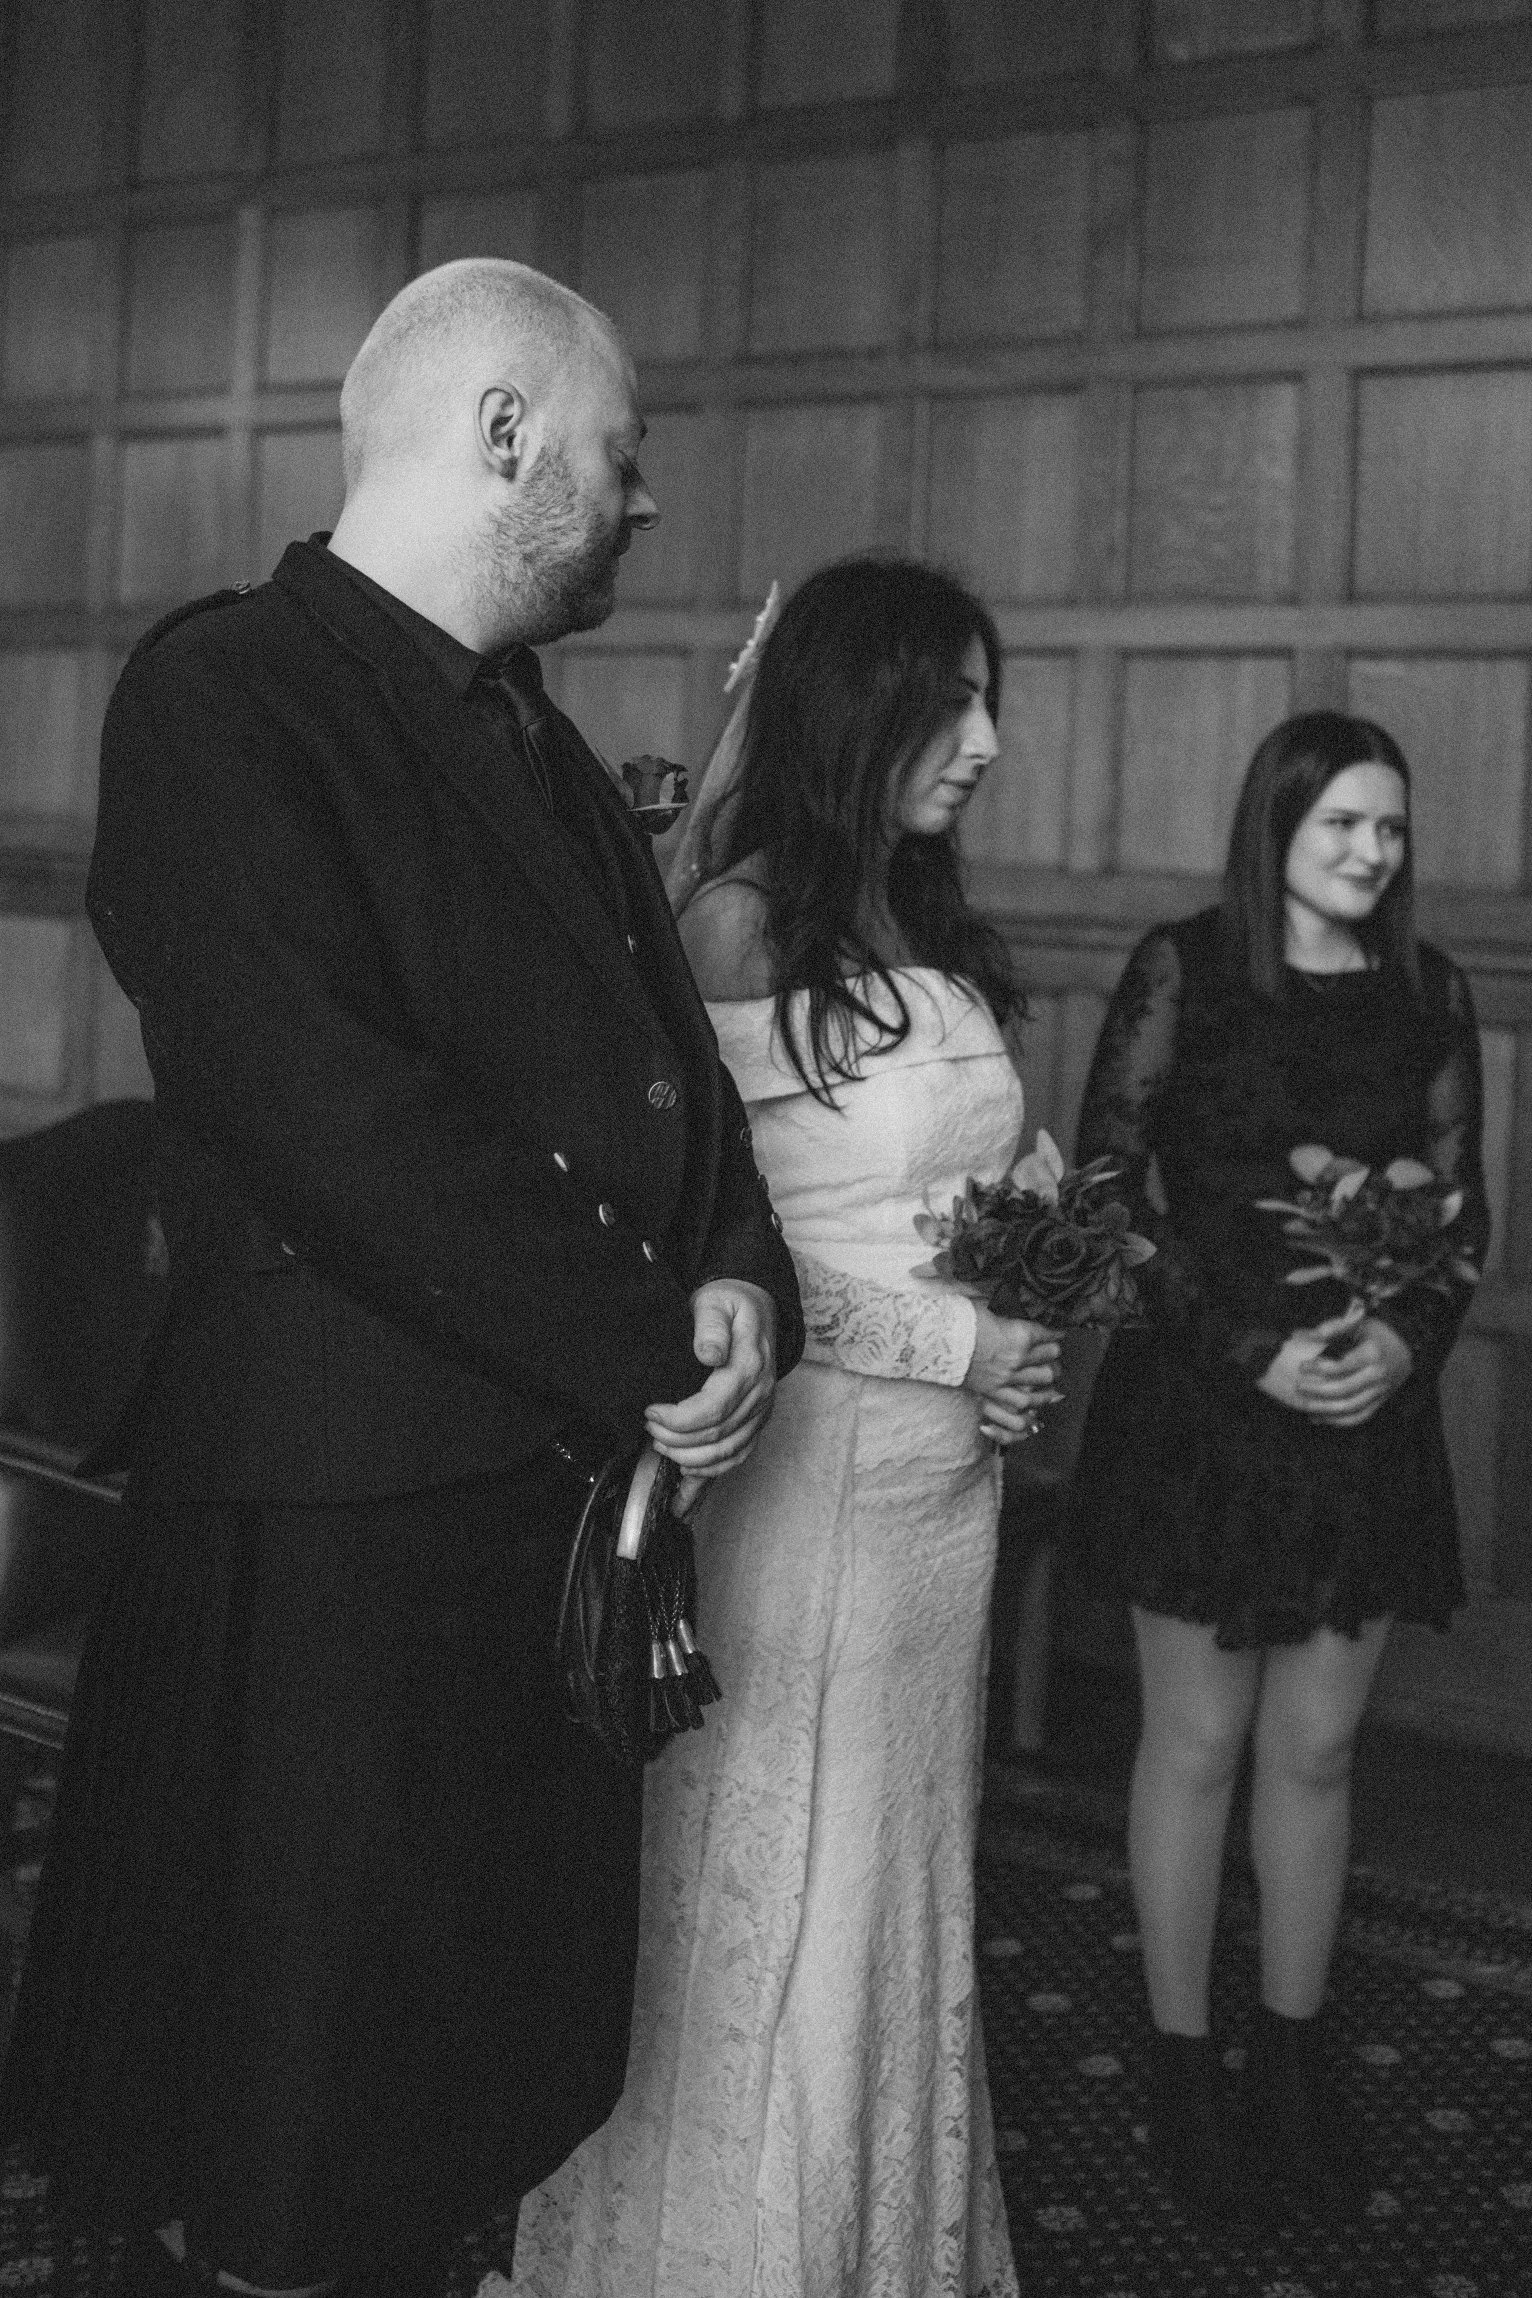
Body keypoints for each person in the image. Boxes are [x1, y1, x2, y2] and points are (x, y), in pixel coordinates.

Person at [0, 259, 802, 2298]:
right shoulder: (223, 694)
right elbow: (326, 1115)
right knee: (301, 2119)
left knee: (473, 2094)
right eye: (620, 454)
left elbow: (671, 1081)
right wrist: (646, 1334)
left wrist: (740, 1288)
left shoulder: (534, 733)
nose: (639, 502)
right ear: (507, 432)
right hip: (335, 1525)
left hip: (534, 1513)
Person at [510, 556, 1060, 2298]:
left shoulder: (927, 918)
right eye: (950, 703)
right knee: (777, 1890)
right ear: (853, 706)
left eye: (991, 701)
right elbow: (731, 1245)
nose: (984, 740)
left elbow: (962, 1173)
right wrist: (963, 1332)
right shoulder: (736, 920)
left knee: (904, 1877)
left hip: (937, 1506)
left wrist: (1045, 1276)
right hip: (804, 1488)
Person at [1065, 711, 1487, 2224]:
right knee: (1193, 1744)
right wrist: (1252, 1348)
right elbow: (1107, 1186)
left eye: (1391, 827)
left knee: (1315, 1751)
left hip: (1366, 1428)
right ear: (1277, 831)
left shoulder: (1429, 991)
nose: (1373, 852)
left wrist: (1406, 1341)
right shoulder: (1188, 967)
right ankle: (1183, 2070)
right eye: (1343, 827)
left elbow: (1465, 1218)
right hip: (1202, 1411)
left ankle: (1292, 2061)